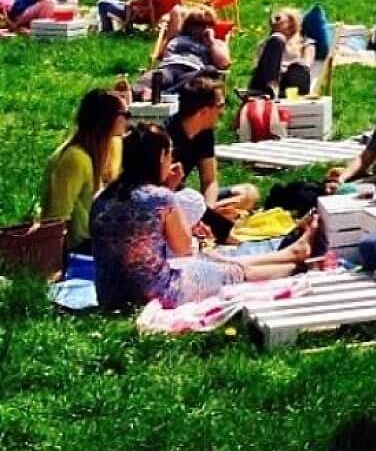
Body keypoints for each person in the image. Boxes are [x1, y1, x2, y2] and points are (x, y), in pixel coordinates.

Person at [90, 124, 312, 311]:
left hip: (111, 296)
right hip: (155, 294)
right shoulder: (160, 198)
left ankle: (290, 253)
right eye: (169, 155)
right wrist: (170, 190)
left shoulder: (101, 197)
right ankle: (298, 268)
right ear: (160, 157)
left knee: (212, 262)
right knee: (229, 271)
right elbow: (184, 249)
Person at [165, 78, 257, 243]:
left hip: (193, 202)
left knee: (249, 193)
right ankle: (209, 224)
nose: (223, 112)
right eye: (220, 106)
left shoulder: (204, 133)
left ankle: (206, 220)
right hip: (170, 201)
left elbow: (210, 181)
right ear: (203, 112)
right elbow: (163, 192)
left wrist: (209, 208)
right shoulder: (167, 138)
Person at [41, 89, 127, 251]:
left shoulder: (111, 146)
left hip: (100, 237)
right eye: (125, 114)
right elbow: (56, 217)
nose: (128, 120)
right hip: (80, 245)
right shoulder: (75, 159)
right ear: (107, 119)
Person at [244, 8, 312, 99]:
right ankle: (272, 87)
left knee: (298, 69)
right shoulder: (269, 42)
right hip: (265, 84)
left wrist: (289, 68)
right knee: (276, 40)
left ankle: (274, 91)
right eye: (278, 20)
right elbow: (260, 67)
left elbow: (306, 66)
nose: (287, 26)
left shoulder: (306, 43)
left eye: (291, 23)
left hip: (290, 85)